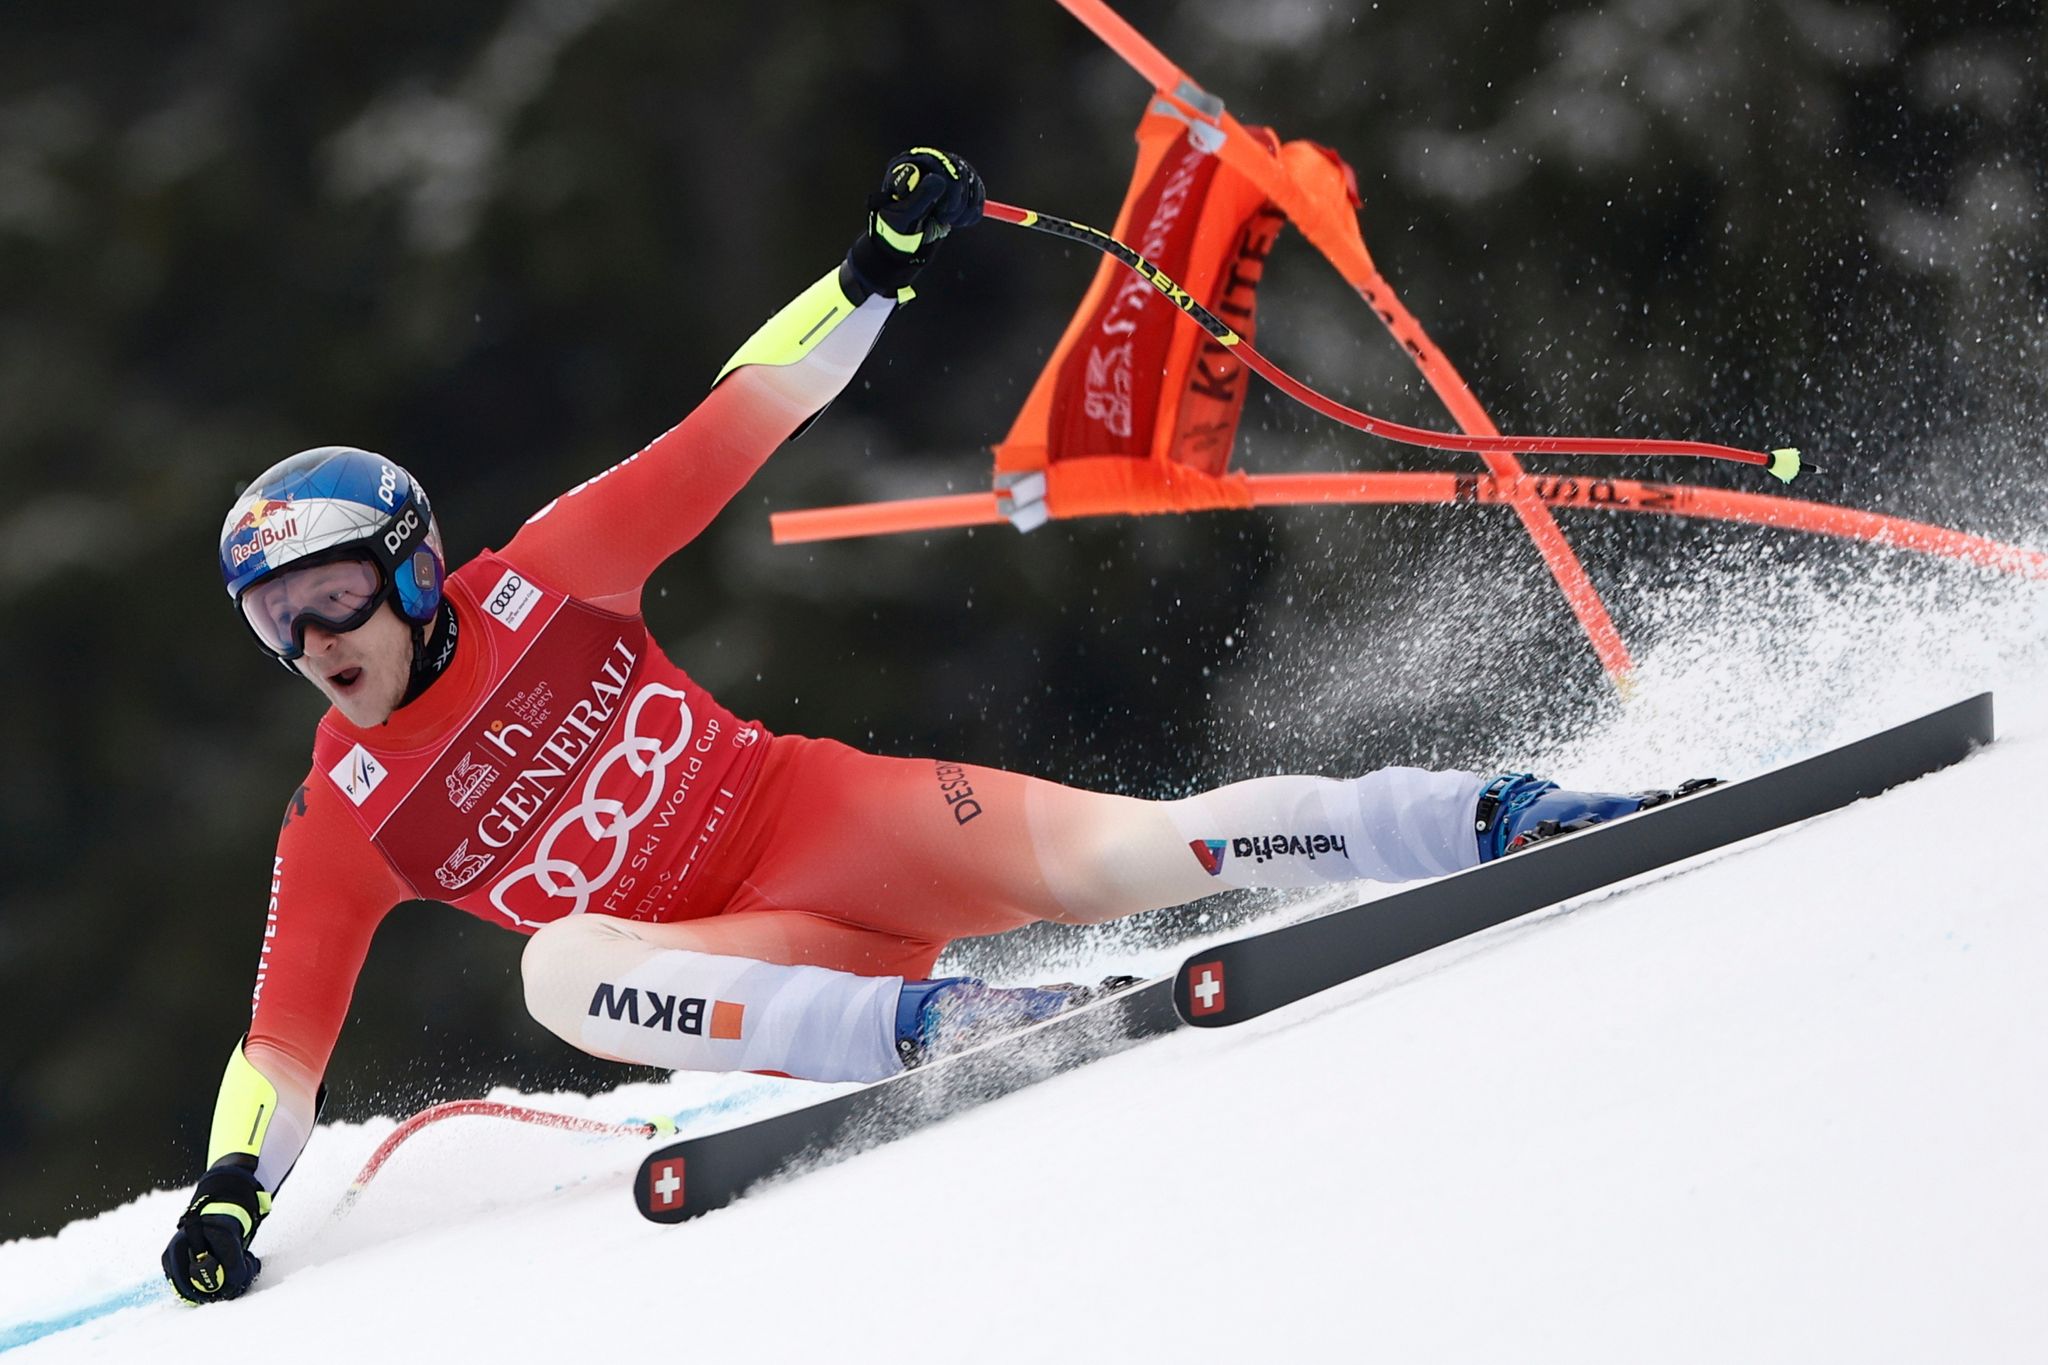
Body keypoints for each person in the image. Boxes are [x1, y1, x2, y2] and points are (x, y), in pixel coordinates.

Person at [163, 148, 1685, 1303]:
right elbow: (279, 1045)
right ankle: (936, 1030)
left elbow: (743, 413)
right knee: (560, 964)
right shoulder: (345, 812)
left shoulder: (546, 579)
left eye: (336, 591)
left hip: (835, 823)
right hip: (763, 975)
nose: (313, 641)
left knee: (1143, 852)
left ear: (416, 565)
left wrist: (873, 268)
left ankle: (1492, 815)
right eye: (273, 621)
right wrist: (232, 1188)